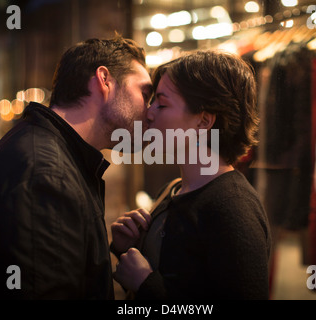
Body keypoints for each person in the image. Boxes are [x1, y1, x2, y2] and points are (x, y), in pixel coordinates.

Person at [0, 35, 153, 299]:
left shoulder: (44, 149)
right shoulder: (46, 177)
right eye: (144, 93)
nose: (149, 111)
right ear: (105, 81)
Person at [111, 50, 272, 300]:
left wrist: (146, 284)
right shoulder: (176, 189)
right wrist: (129, 249)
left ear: (203, 121)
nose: (149, 113)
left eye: (162, 104)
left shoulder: (232, 207)